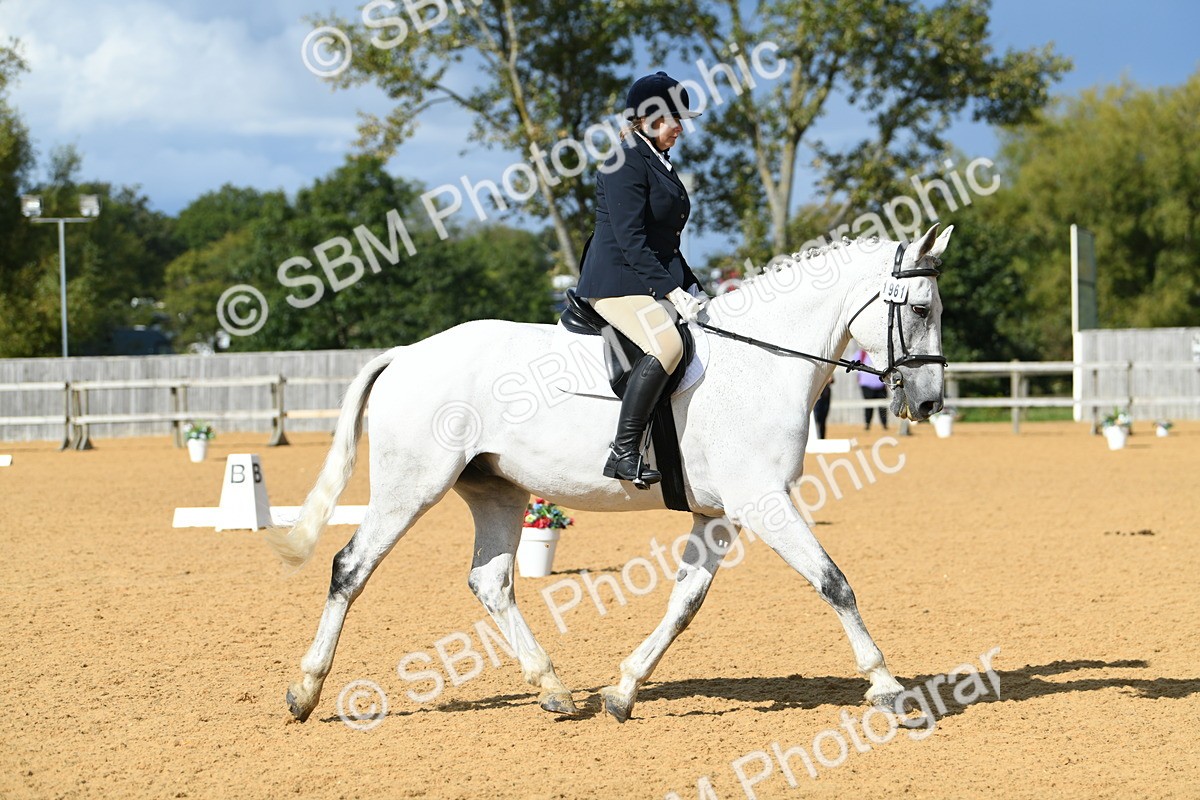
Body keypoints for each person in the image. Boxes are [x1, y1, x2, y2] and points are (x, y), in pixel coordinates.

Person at [575, 71, 706, 488]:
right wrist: (669, 290)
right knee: (666, 344)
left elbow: (665, 241)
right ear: (650, 119)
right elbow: (632, 241)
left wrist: (694, 285)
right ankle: (624, 451)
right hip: (615, 282)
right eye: (674, 120)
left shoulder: (657, 161)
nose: (681, 129)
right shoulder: (624, 159)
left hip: (643, 279)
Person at [856, 348, 888, 430]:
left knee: (882, 406)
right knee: (868, 406)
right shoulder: (861, 353)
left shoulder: (881, 352)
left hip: (881, 385)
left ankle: (884, 424)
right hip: (866, 386)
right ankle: (867, 423)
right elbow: (853, 364)